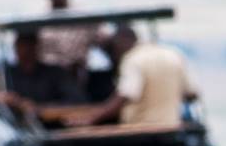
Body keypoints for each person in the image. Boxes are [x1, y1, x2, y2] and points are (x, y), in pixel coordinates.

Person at [70, 26, 198, 126]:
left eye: (113, 50)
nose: (114, 58)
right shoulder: (173, 54)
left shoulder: (132, 59)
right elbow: (191, 94)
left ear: (121, 42)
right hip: (172, 128)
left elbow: (127, 94)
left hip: (141, 133)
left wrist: (91, 119)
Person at [0, 29, 84, 117]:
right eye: (21, 45)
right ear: (16, 47)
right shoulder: (6, 74)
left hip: (51, 128)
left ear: (36, 47)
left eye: (29, 45)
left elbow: (78, 100)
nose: (25, 51)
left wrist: (40, 108)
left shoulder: (55, 73)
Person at [38, 0, 100, 76]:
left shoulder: (81, 15)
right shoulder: (40, 18)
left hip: (78, 71)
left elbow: (100, 37)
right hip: (49, 73)